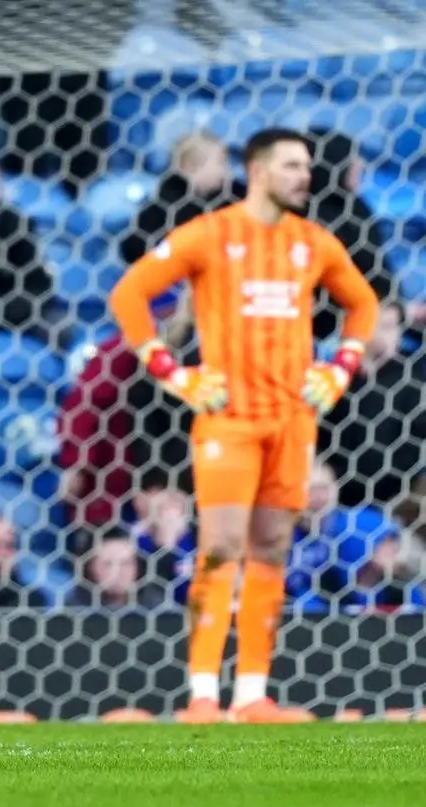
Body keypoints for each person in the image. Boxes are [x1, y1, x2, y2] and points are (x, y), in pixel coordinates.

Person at [108, 127, 379, 724]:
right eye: (292, 166)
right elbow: (129, 294)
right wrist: (171, 373)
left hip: (293, 420)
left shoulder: (314, 242)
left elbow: (364, 303)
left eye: (306, 166)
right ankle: (202, 694)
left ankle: (253, 695)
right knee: (221, 546)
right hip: (227, 420)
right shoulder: (211, 233)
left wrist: (340, 370)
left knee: (272, 548)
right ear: (258, 170)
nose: (305, 176)